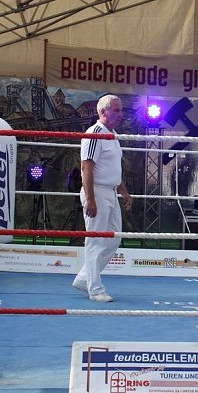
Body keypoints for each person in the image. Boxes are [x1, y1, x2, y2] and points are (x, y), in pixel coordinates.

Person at [72, 95, 133, 302]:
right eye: (115, 110)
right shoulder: (95, 133)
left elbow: (113, 168)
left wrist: (123, 191)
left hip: (110, 191)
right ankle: (95, 289)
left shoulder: (112, 134)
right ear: (103, 112)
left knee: (114, 239)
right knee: (95, 242)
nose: (120, 114)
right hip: (96, 191)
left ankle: (84, 278)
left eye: (121, 110)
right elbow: (86, 167)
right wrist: (90, 199)